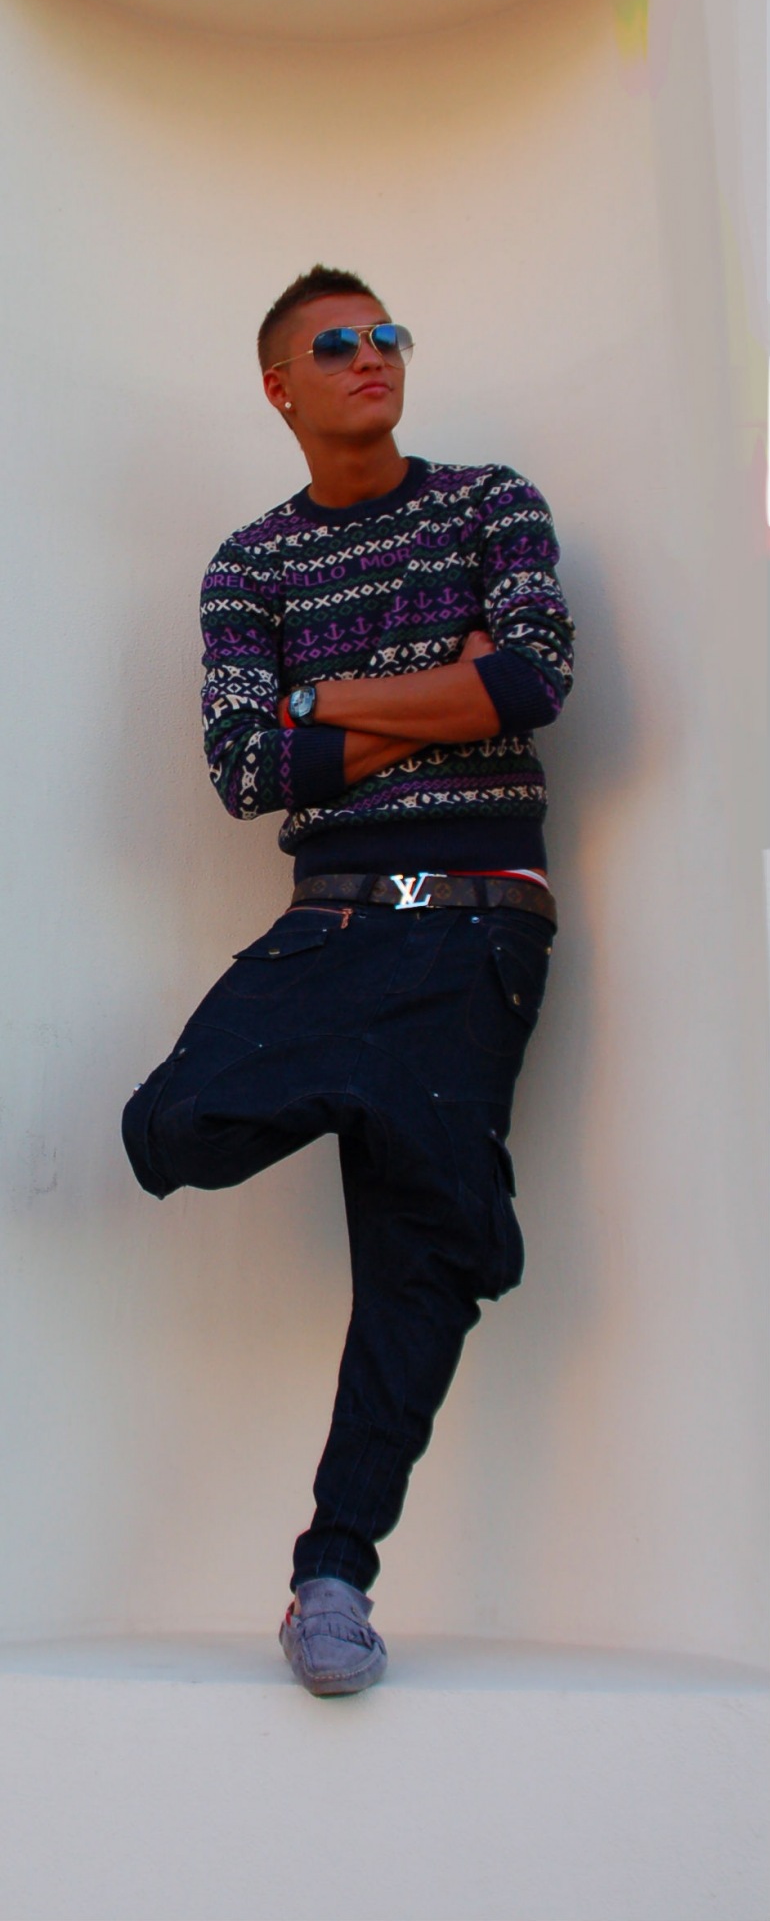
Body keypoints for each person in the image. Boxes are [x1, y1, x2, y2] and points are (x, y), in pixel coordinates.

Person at [122, 263, 574, 1698]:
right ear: (281, 387)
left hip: (473, 924)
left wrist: (326, 700)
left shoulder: (487, 503)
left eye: (386, 336)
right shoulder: (251, 564)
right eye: (337, 344)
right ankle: (434, 1164)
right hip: (328, 930)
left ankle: (334, 1577)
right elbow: (249, 768)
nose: (372, 356)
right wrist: (433, 693)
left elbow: (531, 683)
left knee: (413, 1275)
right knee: (170, 1128)